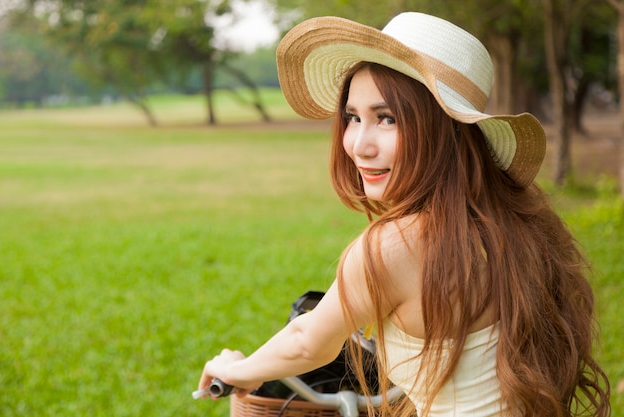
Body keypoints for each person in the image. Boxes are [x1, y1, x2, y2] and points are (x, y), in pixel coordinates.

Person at [198, 12, 610, 417]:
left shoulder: (395, 245)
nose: (359, 144)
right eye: (353, 117)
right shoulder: (510, 223)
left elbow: (309, 341)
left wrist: (237, 369)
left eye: (387, 119)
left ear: (446, 129)